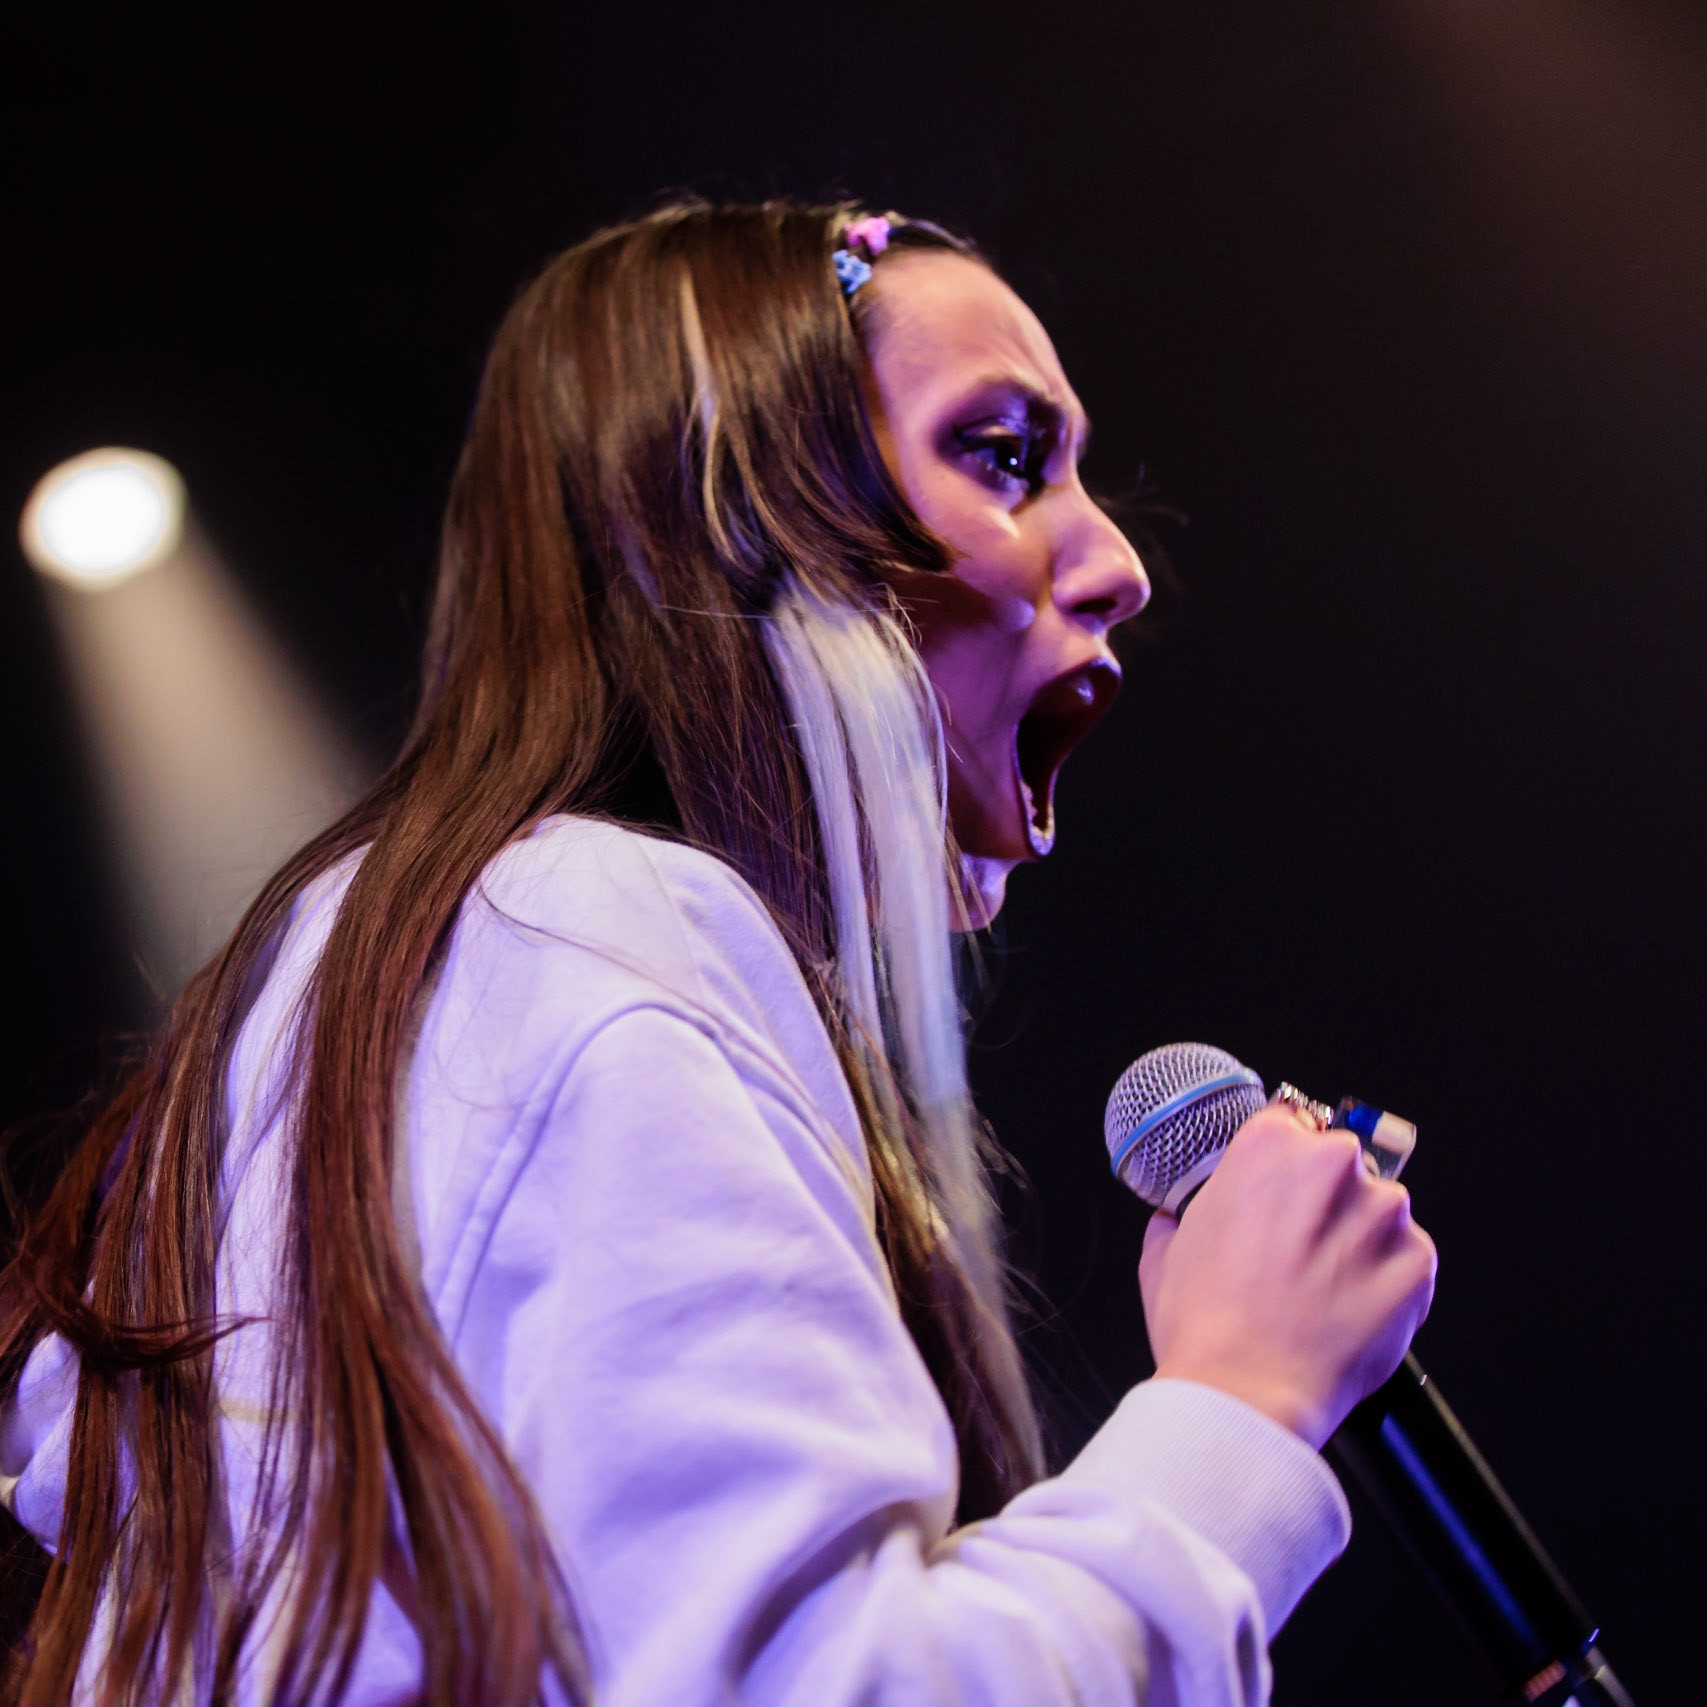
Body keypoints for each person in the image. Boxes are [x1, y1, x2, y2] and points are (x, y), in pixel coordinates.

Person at [0, 200, 1436, 1707]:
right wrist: (1241, 1401)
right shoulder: (589, 940)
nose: (1122, 562)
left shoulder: (418, 979)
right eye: (1004, 455)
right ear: (734, 511)